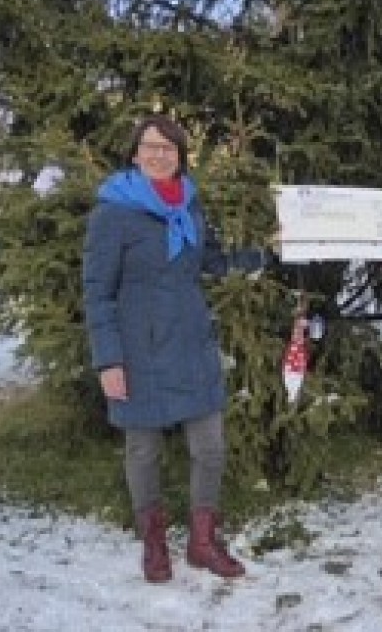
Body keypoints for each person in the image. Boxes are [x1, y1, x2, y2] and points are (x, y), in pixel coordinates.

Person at [82, 114, 264, 582]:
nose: (159, 154)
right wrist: (108, 359)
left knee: (210, 446)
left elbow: (214, 262)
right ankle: (154, 542)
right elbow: (97, 291)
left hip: (190, 340)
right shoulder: (113, 212)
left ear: (180, 155)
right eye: (150, 146)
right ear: (136, 153)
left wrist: (266, 254)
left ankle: (203, 543)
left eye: (168, 147)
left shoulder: (190, 205)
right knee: (143, 450)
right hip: (138, 349)